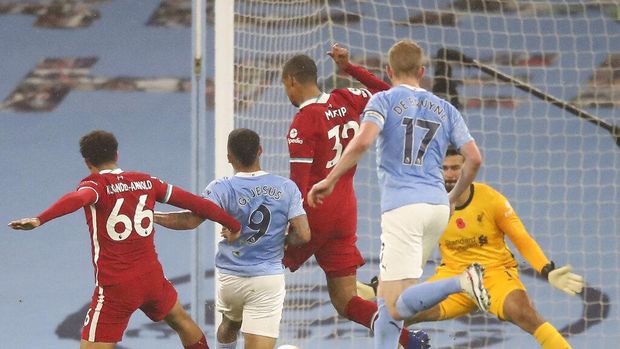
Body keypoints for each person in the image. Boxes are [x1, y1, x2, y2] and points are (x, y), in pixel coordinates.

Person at [308, 39, 489, 349]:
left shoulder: (383, 102)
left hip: (403, 210)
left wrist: (331, 177)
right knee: (389, 304)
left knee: (393, 304)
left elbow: (363, 142)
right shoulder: (445, 108)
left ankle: (462, 282)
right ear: (422, 71)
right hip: (436, 208)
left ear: (389, 70)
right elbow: (474, 158)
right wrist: (453, 195)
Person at [8, 130, 242, 349]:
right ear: (117, 154)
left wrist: (40, 219)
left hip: (116, 287)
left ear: (87, 162)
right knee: (181, 320)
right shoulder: (148, 182)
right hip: (152, 278)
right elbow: (198, 204)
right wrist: (233, 224)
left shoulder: (95, 185)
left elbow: (76, 199)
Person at [281, 44, 428, 348]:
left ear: (292, 81)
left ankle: (241, 328)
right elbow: (389, 91)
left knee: (255, 266)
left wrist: (288, 228)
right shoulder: (347, 98)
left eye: (285, 85)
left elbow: (299, 185)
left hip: (315, 211)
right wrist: (349, 68)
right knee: (345, 298)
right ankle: (407, 340)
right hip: (345, 211)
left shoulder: (302, 124)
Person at [154, 128, 311, 349]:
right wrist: (283, 240)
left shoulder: (221, 188)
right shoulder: (286, 187)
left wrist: (152, 215)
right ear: (260, 151)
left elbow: (190, 221)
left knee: (229, 324)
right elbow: (304, 234)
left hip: (230, 278)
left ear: (229, 157)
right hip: (267, 279)